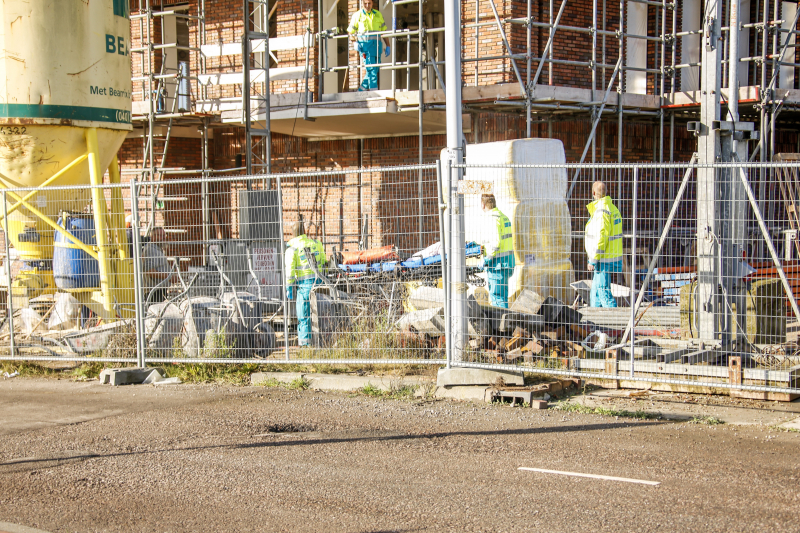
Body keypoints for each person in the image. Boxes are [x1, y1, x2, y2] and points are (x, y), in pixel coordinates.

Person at [284, 221, 328, 347]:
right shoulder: (316, 244)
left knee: (304, 316)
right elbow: (324, 262)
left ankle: (305, 345)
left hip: (304, 287)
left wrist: (289, 287)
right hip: (320, 284)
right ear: (304, 231)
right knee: (321, 314)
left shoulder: (292, 250)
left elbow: (290, 272)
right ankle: (322, 342)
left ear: (292, 234)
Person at [584, 181, 623, 308]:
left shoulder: (602, 211)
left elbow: (602, 238)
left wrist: (593, 260)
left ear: (593, 193)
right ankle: (595, 319)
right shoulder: (612, 208)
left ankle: (615, 319)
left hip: (603, 258)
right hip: (607, 256)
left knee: (603, 293)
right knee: (595, 293)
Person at [478, 194, 515, 308]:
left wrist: (487, 259)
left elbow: (496, 242)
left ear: (483, 204)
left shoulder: (492, 218)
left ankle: (501, 319)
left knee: (497, 298)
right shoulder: (503, 216)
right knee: (502, 297)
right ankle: (504, 318)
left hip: (497, 265)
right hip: (507, 263)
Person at [347, 0, 390, 91]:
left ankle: (360, 91)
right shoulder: (357, 15)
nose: (367, 5)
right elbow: (350, 32)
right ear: (362, 3)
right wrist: (354, 42)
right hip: (366, 49)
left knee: (374, 70)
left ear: (372, 3)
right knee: (372, 71)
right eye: (365, 3)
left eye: (369, 3)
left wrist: (388, 45)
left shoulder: (378, 14)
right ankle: (374, 94)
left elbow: (383, 32)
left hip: (377, 48)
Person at [141, 226, 172, 304]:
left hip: (159, 290)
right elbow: (149, 271)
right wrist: (169, 277)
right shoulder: (151, 250)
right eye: (160, 235)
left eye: (164, 235)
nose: (164, 238)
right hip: (154, 292)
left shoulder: (157, 249)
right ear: (153, 237)